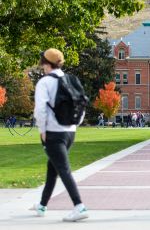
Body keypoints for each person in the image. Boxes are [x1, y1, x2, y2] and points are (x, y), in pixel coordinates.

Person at [33, 48, 88, 222]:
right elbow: (82, 104)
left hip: (53, 133)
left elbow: (40, 109)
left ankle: (79, 206)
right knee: (53, 167)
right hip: (70, 132)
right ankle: (42, 205)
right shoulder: (70, 80)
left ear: (46, 63)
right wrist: (74, 125)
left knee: (63, 169)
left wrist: (42, 130)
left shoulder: (44, 82)